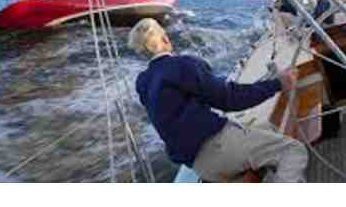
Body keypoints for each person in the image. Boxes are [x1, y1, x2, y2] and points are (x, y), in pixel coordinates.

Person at [128, 18, 308, 183]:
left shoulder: (143, 82)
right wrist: (278, 83)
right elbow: (230, 99)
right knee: (293, 151)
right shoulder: (182, 65)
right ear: (165, 39)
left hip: (200, 166)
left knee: (268, 134)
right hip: (218, 147)